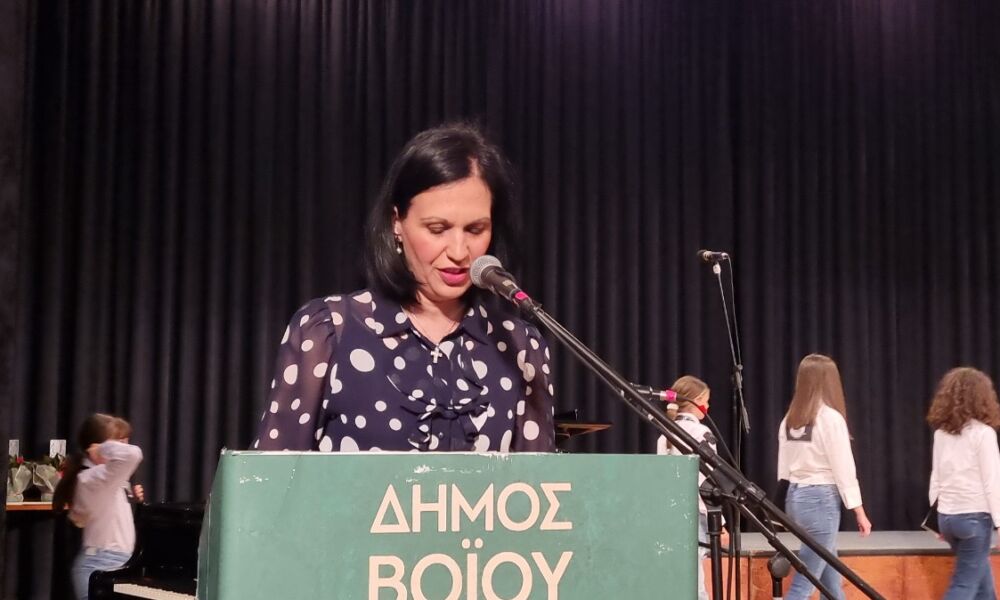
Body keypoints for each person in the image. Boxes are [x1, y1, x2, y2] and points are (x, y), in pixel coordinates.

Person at [254, 122, 555, 453]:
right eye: (437, 229)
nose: (459, 252)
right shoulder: (330, 330)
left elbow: (538, 482)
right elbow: (271, 474)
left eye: (475, 229)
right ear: (396, 222)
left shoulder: (518, 346)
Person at [777, 354, 872, 600]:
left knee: (829, 576)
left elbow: (783, 468)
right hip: (820, 499)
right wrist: (859, 511)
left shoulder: (790, 420)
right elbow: (844, 468)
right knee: (805, 582)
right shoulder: (830, 419)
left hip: (795, 497)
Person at [53, 413, 144, 600]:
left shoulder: (99, 476)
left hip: (110, 561)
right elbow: (133, 455)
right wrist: (102, 448)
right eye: (118, 442)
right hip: (102, 563)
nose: (123, 447)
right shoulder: (91, 478)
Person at [927, 367, 1000, 600]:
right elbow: (992, 482)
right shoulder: (984, 434)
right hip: (974, 519)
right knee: (963, 585)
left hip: (948, 518)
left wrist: (937, 520)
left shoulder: (941, 434)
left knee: (982, 586)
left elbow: (936, 477)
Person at [655, 375, 728, 600]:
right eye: (706, 400)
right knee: (695, 582)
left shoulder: (664, 434)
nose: (708, 406)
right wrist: (720, 521)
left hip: (669, 515)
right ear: (696, 401)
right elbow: (705, 482)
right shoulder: (701, 433)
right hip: (695, 514)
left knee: (680, 577)